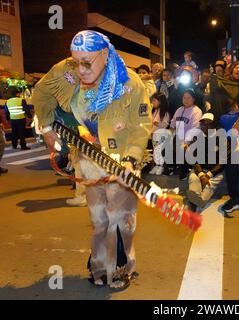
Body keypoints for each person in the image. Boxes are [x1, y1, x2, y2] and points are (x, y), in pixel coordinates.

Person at [32, 30, 152, 288]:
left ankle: (120, 268)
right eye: (76, 61)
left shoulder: (129, 83)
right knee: (99, 219)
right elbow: (40, 93)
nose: (81, 68)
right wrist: (47, 128)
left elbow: (141, 124)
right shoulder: (65, 72)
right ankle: (99, 266)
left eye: (87, 61)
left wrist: (130, 160)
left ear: (105, 55)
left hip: (121, 158)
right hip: (87, 157)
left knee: (120, 218)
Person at [187, 113, 226, 212]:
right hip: (199, 169)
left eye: (209, 124)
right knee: (193, 179)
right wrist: (201, 174)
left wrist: (208, 175)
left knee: (209, 186)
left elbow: (223, 160)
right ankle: (194, 199)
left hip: (215, 172)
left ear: (214, 125)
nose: (205, 126)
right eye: (203, 124)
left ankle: (194, 201)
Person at [170, 88, 203, 180]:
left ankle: (184, 172)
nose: (186, 100)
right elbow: (173, 123)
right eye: (184, 98)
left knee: (183, 148)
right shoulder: (179, 110)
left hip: (192, 139)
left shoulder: (197, 111)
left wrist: (187, 142)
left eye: (189, 98)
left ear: (193, 99)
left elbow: (195, 128)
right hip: (178, 137)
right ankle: (171, 168)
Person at [149, 92, 170, 175]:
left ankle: (161, 166)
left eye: (154, 100)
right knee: (155, 151)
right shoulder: (154, 111)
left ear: (160, 101)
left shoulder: (165, 112)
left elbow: (165, 124)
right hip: (154, 134)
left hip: (161, 135)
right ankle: (157, 165)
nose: (153, 103)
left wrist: (157, 123)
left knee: (160, 150)